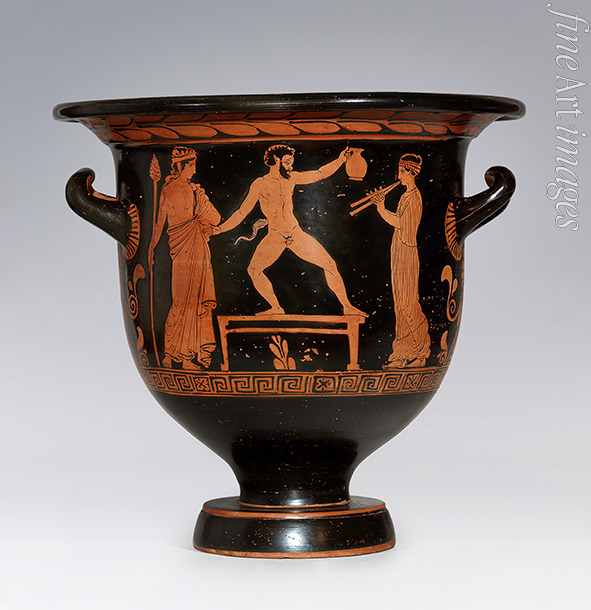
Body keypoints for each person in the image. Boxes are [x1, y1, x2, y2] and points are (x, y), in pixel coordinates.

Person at [212, 145, 365, 317]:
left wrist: (341, 160)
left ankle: (347, 307)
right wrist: (219, 229)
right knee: (253, 270)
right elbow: (241, 212)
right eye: (287, 162)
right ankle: (276, 308)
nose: (291, 166)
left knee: (329, 265)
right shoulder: (260, 184)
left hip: (295, 233)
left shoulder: (291, 178)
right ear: (276, 160)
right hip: (275, 236)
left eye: (291, 162)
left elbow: (320, 173)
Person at [148, 147, 220, 370]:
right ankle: (174, 355)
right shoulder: (172, 190)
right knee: (183, 301)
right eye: (191, 165)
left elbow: (215, 218)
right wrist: (150, 248)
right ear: (182, 166)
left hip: (196, 247)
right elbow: (159, 223)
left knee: (194, 301)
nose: (194, 170)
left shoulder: (192, 190)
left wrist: (202, 199)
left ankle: (184, 356)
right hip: (182, 249)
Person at [370, 154, 431, 368]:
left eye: (402, 171)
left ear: (411, 172)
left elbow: (402, 225)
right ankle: (402, 354)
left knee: (408, 303)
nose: (399, 174)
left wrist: (380, 207)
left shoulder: (414, 198)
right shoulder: (405, 195)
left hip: (407, 252)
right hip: (399, 250)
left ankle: (421, 352)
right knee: (400, 305)